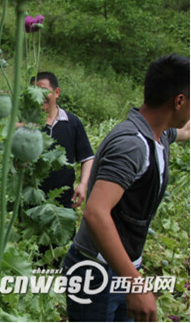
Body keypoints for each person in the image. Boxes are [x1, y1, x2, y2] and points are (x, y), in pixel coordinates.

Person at [62, 54, 190, 322]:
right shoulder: (131, 144)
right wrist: (136, 284)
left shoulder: (159, 133)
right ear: (179, 101)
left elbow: (185, 132)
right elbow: (96, 213)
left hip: (120, 269)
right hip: (96, 273)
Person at [31, 72, 94, 209]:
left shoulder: (72, 122)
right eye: (34, 91)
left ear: (57, 92)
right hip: (30, 203)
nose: (38, 96)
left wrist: (83, 184)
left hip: (63, 203)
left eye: (43, 90)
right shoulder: (27, 125)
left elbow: (87, 158)